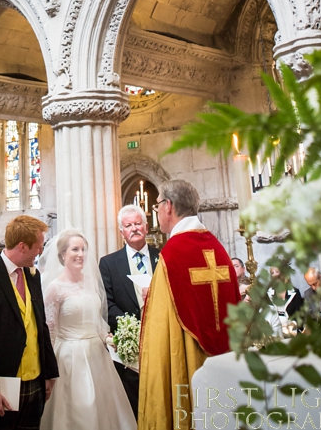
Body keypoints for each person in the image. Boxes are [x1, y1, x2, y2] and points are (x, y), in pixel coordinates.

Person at [138, 180, 240, 429]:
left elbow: (160, 333)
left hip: (188, 365)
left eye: (158, 205)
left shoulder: (172, 255)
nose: (157, 211)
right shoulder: (220, 251)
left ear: (169, 206)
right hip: (224, 363)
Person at [0, 215, 59, 430]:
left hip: (35, 381)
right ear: (23, 247)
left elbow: (40, 325)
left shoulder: (32, 276)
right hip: (1, 385)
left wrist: (49, 374)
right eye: (38, 247)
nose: (40, 252)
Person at [40, 229, 136, 430]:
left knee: (105, 408)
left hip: (97, 356)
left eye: (83, 249)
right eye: (75, 249)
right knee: (79, 409)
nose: (81, 254)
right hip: (69, 358)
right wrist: (49, 368)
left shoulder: (91, 282)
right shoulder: (55, 288)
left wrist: (110, 339)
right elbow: (50, 331)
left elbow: (97, 320)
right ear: (63, 254)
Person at [99, 204, 160, 417]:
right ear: (121, 231)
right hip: (127, 347)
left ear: (146, 226)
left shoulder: (162, 257)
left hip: (160, 337)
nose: (134, 228)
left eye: (137, 224)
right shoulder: (108, 263)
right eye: (128, 225)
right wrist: (130, 326)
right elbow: (106, 302)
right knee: (132, 403)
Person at [268, 266, 304, 334]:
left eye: (277, 272)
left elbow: (300, 314)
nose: (275, 275)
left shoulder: (295, 292)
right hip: (275, 331)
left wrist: (292, 325)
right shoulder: (268, 293)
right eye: (272, 273)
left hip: (292, 330)